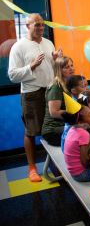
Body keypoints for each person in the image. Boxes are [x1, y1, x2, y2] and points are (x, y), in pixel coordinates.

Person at [8, 13, 62, 182]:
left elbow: (52, 69)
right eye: (36, 25)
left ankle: (56, 164)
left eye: (42, 25)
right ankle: (32, 168)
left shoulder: (48, 43)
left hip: (50, 92)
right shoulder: (18, 47)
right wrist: (31, 66)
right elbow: (12, 75)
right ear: (27, 26)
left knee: (53, 129)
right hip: (31, 94)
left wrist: (55, 61)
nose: (40, 28)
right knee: (31, 132)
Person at [41, 56, 75, 146]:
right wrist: (76, 115)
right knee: (85, 132)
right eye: (67, 67)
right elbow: (54, 112)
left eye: (72, 65)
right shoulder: (56, 86)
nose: (71, 69)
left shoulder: (67, 84)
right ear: (59, 70)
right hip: (52, 131)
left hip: (62, 126)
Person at [62, 95, 90, 182]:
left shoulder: (72, 129)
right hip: (81, 174)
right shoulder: (83, 134)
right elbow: (85, 161)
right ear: (80, 121)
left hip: (74, 172)